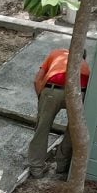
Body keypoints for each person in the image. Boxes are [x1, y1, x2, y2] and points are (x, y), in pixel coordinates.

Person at [28, 48, 91, 178]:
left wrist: (42, 98)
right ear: (84, 57)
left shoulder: (55, 53)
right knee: (72, 131)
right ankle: (62, 166)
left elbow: (37, 80)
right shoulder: (86, 67)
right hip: (80, 92)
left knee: (42, 128)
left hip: (53, 89)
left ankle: (36, 169)